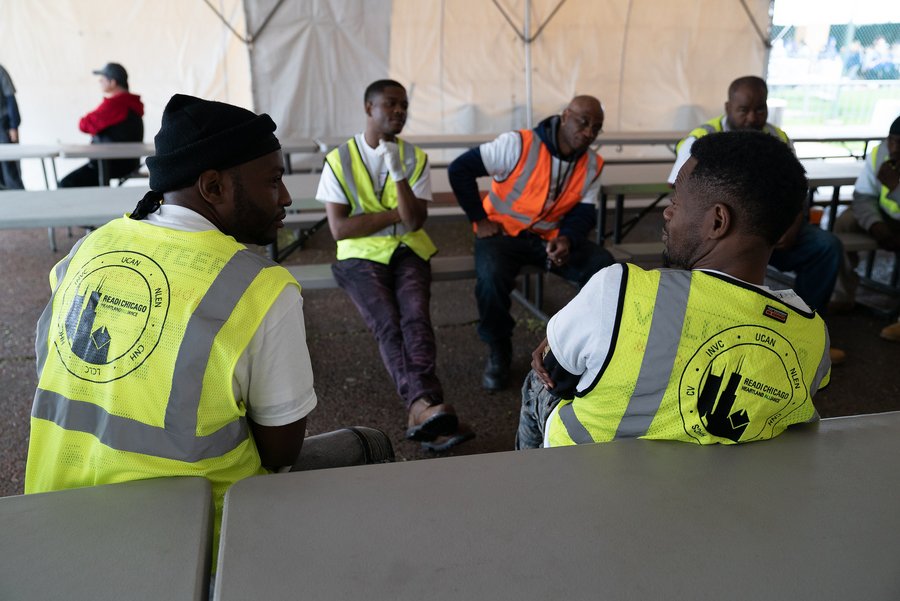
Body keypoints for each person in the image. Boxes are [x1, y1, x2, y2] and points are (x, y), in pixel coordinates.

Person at [25, 94, 393, 555]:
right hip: (198, 537)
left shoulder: (89, 249)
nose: (284, 198)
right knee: (371, 445)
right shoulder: (259, 288)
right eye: (273, 181)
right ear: (213, 186)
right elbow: (281, 455)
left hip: (53, 514)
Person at [517, 131, 832, 449]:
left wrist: (573, 334)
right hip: (717, 489)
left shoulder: (620, 291)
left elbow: (555, 372)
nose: (667, 213)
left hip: (585, 479)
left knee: (539, 382)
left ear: (718, 221)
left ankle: (527, 476)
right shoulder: (815, 337)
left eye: (676, 202)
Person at [316, 79, 473, 452]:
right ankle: (424, 405)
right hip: (359, 255)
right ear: (369, 108)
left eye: (404, 105)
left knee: (415, 318)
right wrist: (394, 215)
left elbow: (415, 222)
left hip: (408, 248)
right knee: (388, 323)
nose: (400, 112)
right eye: (391, 104)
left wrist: (398, 171)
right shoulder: (339, 159)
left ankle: (423, 410)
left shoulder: (413, 158)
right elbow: (340, 229)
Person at [669, 75, 844, 363]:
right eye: (743, 110)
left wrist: (793, 220)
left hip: (771, 229)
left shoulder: (778, 138)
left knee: (826, 247)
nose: (753, 117)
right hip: (725, 233)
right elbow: (681, 192)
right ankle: (707, 340)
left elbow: (794, 187)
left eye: (760, 109)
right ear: (727, 106)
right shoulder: (701, 139)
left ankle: (807, 337)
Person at [448, 96, 615, 391]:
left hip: (548, 238)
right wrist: (480, 219)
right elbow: (459, 169)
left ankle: (579, 344)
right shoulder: (518, 144)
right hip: (502, 233)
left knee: (605, 270)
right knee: (491, 279)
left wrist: (567, 239)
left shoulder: (592, 164)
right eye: (583, 122)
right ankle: (498, 348)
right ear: (565, 116)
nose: (589, 133)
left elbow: (584, 212)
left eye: (597, 128)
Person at [832, 115, 900, 341]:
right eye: (892, 141)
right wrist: (876, 225)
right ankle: (842, 296)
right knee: (844, 222)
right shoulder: (880, 153)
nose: (894, 148)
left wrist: (896, 188)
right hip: (884, 217)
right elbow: (863, 197)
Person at [59, 63, 144, 187]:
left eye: (103, 78)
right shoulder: (132, 103)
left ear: (113, 82)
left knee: (65, 184)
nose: (99, 81)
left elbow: (84, 124)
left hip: (109, 164)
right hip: (129, 163)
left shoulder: (116, 104)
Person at [0, 63, 24, 190]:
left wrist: (14, 125)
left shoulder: (0, 71)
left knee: (10, 169)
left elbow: (10, 98)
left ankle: (23, 204)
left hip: (3, 125)